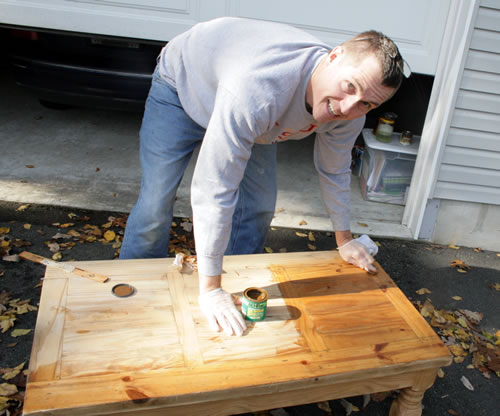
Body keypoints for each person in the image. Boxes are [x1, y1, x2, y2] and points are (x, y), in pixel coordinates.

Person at [120, 17, 405, 337]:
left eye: (366, 102)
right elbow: (214, 187)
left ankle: (239, 290)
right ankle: (132, 297)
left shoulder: (351, 111)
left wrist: (344, 241)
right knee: (156, 202)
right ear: (334, 57)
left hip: (252, 115)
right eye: (349, 87)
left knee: (257, 206)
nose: (348, 107)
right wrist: (210, 291)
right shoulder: (260, 88)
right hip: (184, 84)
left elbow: (334, 170)